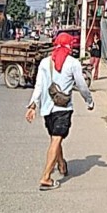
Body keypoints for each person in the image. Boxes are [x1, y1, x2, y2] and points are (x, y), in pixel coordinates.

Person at [25, 32, 94, 190]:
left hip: (47, 108)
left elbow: (39, 86)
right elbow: (82, 86)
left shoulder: (44, 62)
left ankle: (62, 165)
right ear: (70, 45)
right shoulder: (73, 63)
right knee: (56, 140)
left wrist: (33, 105)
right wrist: (89, 101)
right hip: (63, 109)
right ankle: (46, 178)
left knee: (55, 139)